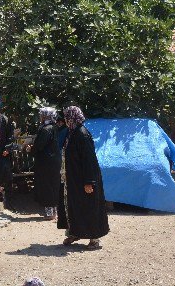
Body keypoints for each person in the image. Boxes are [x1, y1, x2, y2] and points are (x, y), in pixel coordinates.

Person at [57, 106, 109, 250]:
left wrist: (89, 182)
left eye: (67, 117)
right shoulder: (72, 132)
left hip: (84, 180)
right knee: (75, 206)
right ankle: (75, 232)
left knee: (89, 207)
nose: (65, 120)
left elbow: (89, 160)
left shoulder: (82, 134)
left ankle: (94, 238)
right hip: (73, 179)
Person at [27, 107, 61, 220]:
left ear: (46, 116)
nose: (40, 117)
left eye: (42, 115)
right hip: (52, 162)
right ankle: (53, 212)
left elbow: (39, 146)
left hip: (47, 163)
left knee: (47, 186)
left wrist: (30, 149)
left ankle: (50, 213)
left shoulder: (46, 129)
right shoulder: (53, 127)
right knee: (52, 185)